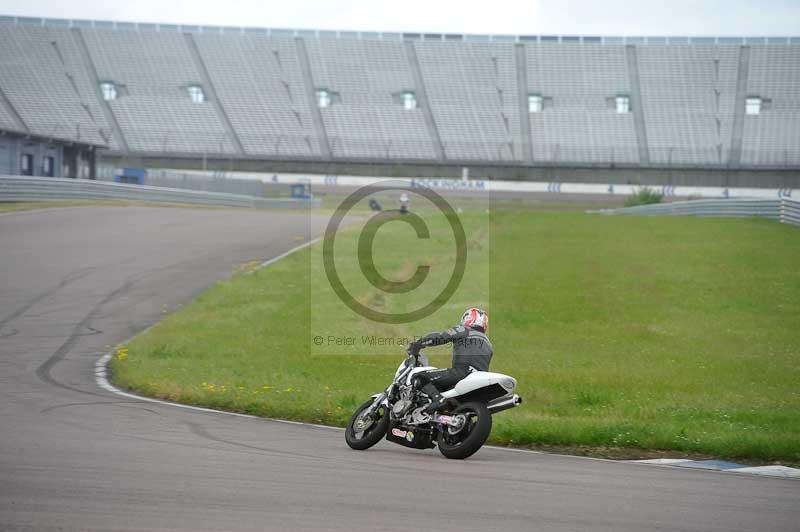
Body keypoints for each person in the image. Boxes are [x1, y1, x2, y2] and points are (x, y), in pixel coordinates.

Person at [407, 308, 493, 414]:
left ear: (468, 318)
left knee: (419, 377)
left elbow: (440, 337)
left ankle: (439, 400)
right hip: (478, 379)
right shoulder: (488, 343)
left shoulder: (464, 330)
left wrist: (419, 344)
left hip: (461, 372)